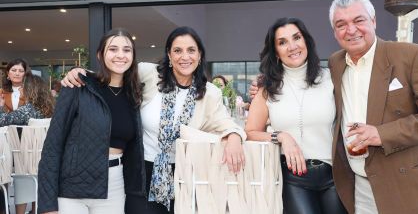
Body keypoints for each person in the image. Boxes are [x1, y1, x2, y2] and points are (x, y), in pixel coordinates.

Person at [61, 26, 246, 214]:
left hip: (183, 176)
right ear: (169, 55)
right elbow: (113, 74)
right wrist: (80, 73)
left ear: (199, 55)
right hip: (140, 173)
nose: (185, 57)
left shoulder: (210, 93)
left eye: (191, 50)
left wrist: (234, 137)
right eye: (177, 50)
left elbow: (226, 122)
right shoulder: (149, 74)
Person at [327, 0, 418, 214]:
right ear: (334, 31)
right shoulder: (335, 63)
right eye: (341, 24)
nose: (351, 30)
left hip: (405, 184)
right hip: (359, 185)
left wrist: (383, 134)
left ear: (374, 21)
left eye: (359, 20)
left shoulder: (410, 55)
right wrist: (264, 86)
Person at [245, 17, 346, 214]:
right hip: (293, 178)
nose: (292, 46)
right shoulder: (268, 87)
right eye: (282, 42)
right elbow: (250, 132)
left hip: (334, 175)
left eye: (296, 38)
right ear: (275, 52)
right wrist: (281, 136)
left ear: (306, 41)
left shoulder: (330, 78)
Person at [38, 28, 144, 214]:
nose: (120, 55)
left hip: (114, 186)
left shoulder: (134, 93)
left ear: (133, 56)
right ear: (100, 55)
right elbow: (52, 147)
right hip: (72, 189)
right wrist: (48, 206)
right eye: (113, 49)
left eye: (127, 50)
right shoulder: (78, 86)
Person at [0, 74, 54, 214]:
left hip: (25, 165)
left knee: (20, 165)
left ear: (29, 90)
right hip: (48, 163)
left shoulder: (27, 110)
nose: (21, 89)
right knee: (34, 172)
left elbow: (3, 120)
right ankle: (37, 209)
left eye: (23, 87)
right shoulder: (53, 108)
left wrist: (0, 107)